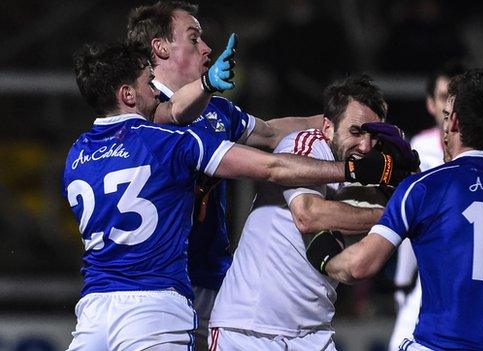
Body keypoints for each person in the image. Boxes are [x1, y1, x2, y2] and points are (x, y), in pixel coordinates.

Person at [64, 42, 412, 350]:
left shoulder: (76, 156)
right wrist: (359, 173)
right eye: (147, 84)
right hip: (157, 306)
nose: (155, 91)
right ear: (128, 94)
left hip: (94, 306)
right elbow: (272, 168)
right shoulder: (171, 143)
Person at [125, 3, 330, 348]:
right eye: (194, 39)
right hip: (152, 285)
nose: (206, 48)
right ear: (160, 47)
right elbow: (168, 116)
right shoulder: (139, 110)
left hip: (211, 279)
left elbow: (269, 133)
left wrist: (335, 120)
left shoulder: (216, 112)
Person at [309, 68, 483, 350]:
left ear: (454, 122)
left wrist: (325, 257)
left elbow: (358, 267)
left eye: (448, 115)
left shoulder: (426, 186)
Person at [207, 75, 416, 350]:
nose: (365, 146)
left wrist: (406, 186)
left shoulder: (365, 175)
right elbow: (308, 215)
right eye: (356, 132)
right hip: (250, 329)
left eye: (373, 136)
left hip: (313, 331)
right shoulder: (306, 143)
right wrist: (394, 215)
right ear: (328, 128)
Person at [389, 62, 483, 350]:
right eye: (444, 97)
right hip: (430, 278)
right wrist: (402, 281)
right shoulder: (416, 150)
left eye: (456, 99)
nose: (451, 108)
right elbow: (408, 223)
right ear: (431, 104)